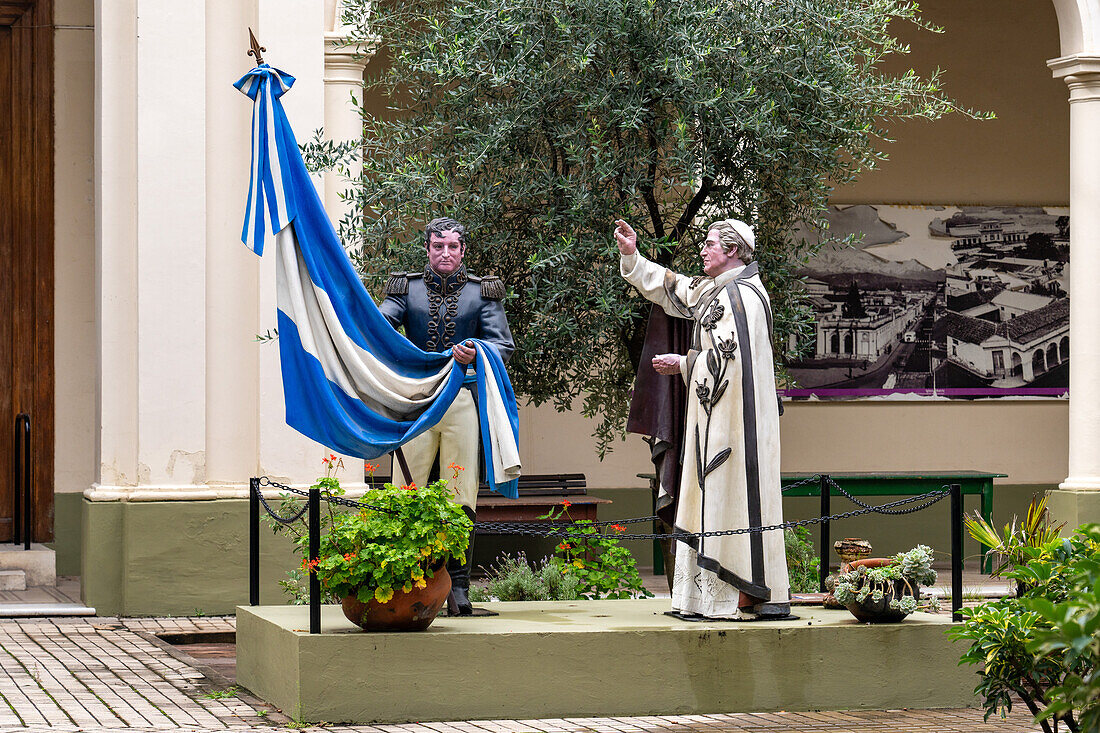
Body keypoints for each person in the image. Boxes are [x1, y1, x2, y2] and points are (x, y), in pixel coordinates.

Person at [614, 218, 791, 620]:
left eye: (710, 244)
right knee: (716, 497)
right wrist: (632, 256)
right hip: (715, 420)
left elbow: (733, 361)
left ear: (731, 251)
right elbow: (673, 287)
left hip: (733, 426)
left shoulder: (742, 295)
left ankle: (739, 594)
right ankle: (714, 597)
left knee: (731, 497)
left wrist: (684, 362)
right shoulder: (718, 290)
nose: (703, 250)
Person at [378, 217, 515, 615]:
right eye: (438, 246)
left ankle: (457, 585)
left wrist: (476, 350)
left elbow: (502, 345)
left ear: (463, 251)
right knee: (407, 488)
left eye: (453, 247)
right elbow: (381, 328)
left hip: (461, 400)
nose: (445, 253)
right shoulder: (407, 289)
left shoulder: (482, 293)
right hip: (418, 401)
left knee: (461, 491)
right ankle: (408, 573)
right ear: (427, 249)